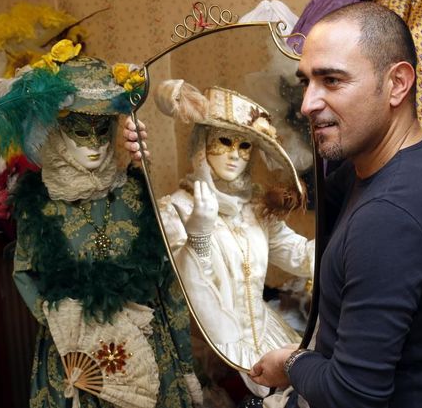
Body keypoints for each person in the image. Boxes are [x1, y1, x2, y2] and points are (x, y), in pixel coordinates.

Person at [0, 47, 203, 408]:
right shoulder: (38, 202)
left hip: (147, 351)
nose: (94, 144)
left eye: (101, 130)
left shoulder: (136, 191)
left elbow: (167, 282)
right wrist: (63, 321)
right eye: (79, 130)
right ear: (56, 131)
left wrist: (185, 365)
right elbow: (24, 272)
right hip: (74, 360)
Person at [248, 2, 422, 408]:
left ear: (397, 84)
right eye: (306, 83)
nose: (307, 104)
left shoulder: (390, 215)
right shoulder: (401, 163)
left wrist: (292, 362)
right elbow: (299, 194)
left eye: (332, 80)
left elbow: (352, 395)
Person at [127, 80, 315, 394]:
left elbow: (296, 253)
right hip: (216, 349)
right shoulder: (176, 209)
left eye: (245, 146)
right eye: (224, 141)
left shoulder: (255, 207)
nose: (235, 155)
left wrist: (350, 247)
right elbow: (188, 293)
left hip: (268, 338)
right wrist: (198, 235)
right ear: (201, 143)